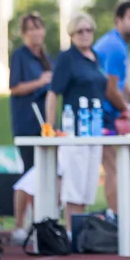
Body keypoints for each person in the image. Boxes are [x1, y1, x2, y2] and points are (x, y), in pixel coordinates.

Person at [45, 13, 107, 235]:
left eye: (88, 30)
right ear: (71, 34)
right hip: (74, 129)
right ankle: (71, 231)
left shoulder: (96, 58)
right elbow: (53, 93)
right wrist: (49, 127)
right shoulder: (67, 58)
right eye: (80, 31)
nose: (85, 35)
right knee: (74, 183)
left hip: (95, 127)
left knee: (89, 183)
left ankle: (82, 232)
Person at [92, 1, 130, 218]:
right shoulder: (115, 47)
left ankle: (117, 214)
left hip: (101, 114)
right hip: (101, 115)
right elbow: (111, 90)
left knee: (114, 165)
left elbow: (118, 82)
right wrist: (128, 110)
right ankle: (115, 217)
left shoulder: (116, 43)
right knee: (112, 167)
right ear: (118, 21)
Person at [8, 12, 53, 244]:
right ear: (24, 33)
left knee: (44, 173)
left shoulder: (46, 57)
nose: (36, 32)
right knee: (28, 172)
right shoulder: (19, 56)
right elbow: (14, 87)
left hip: (45, 123)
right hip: (26, 120)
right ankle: (18, 225)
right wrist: (40, 82)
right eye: (31, 29)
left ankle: (40, 221)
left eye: (39, 27)